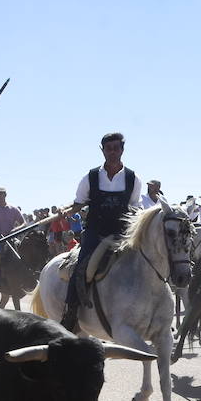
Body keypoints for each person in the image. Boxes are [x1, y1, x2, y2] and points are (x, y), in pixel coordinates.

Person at [60, 132, 140, 330]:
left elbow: (135, 207)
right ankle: (71, 312)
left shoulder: (133, 178)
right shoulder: (91, 177)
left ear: (122, 149)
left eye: (116, 148)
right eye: (108, 148)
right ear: (102, 150)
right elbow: (78, 203)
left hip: (123, 232)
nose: (112, 152)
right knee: (81, 267)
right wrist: (66, 210)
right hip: (96, 231)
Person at [0, 186, 25, 305]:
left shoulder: (13, 209)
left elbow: (24, 223)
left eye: (1, 194)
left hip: (11, 240)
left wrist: (14, 230)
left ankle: (26, 281)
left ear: (5, 195)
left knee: (22, 257)